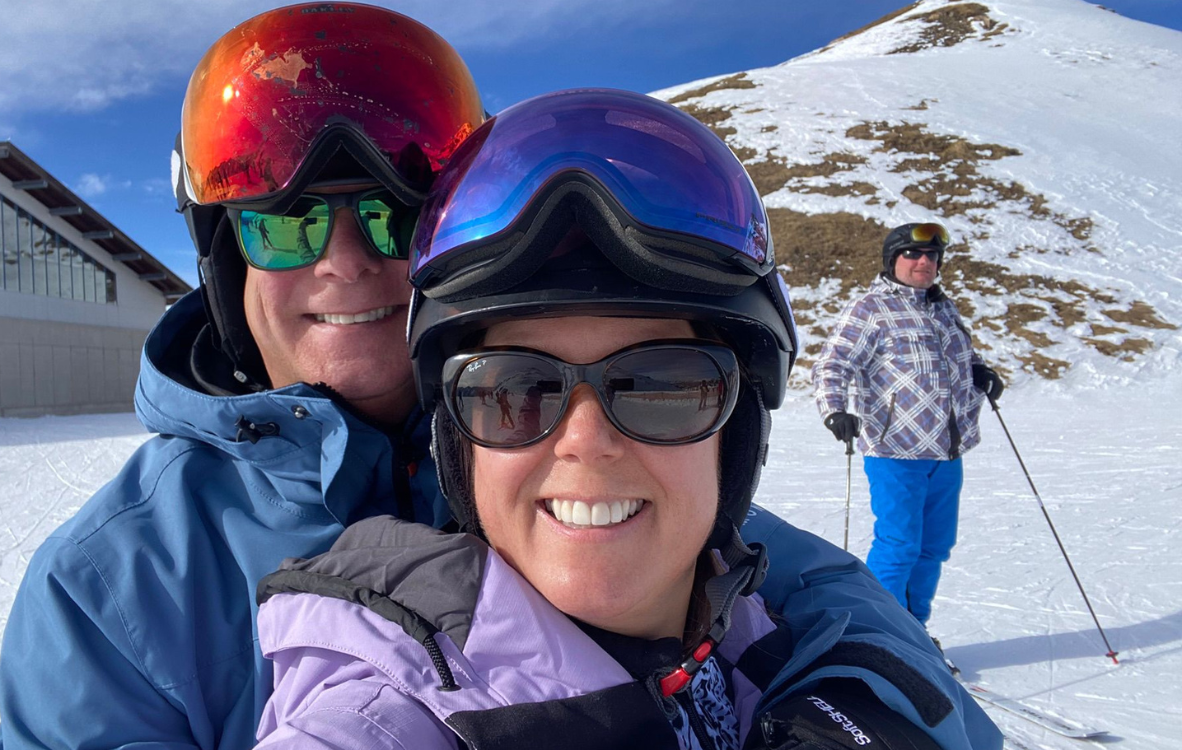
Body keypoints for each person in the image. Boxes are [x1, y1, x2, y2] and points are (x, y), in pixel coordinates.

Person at [253, 90, 998, 749]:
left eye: (662, 387)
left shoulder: (766, 644)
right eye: (514, 390)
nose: (586, 443)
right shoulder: (379, 718)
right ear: (459, 446)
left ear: (734, 437)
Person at [0, 6, 484, 749]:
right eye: (286, 224)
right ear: (228, 263)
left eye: (392, 216)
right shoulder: (114, 586)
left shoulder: (585, 452)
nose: (344, 263)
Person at [812, 223, 1004, 636]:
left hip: (946, 450)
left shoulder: (942, 307)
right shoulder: (870, 308)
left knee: (934, 548)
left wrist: (980, 371)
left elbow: (962, 356)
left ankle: (914, 634)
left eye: (932, 256)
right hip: (894, 448)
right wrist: (835, 410)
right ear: (892, 260)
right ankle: (879, 635)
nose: (924, 263)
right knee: (899, 548)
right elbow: (832, 364)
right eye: (913, 255)